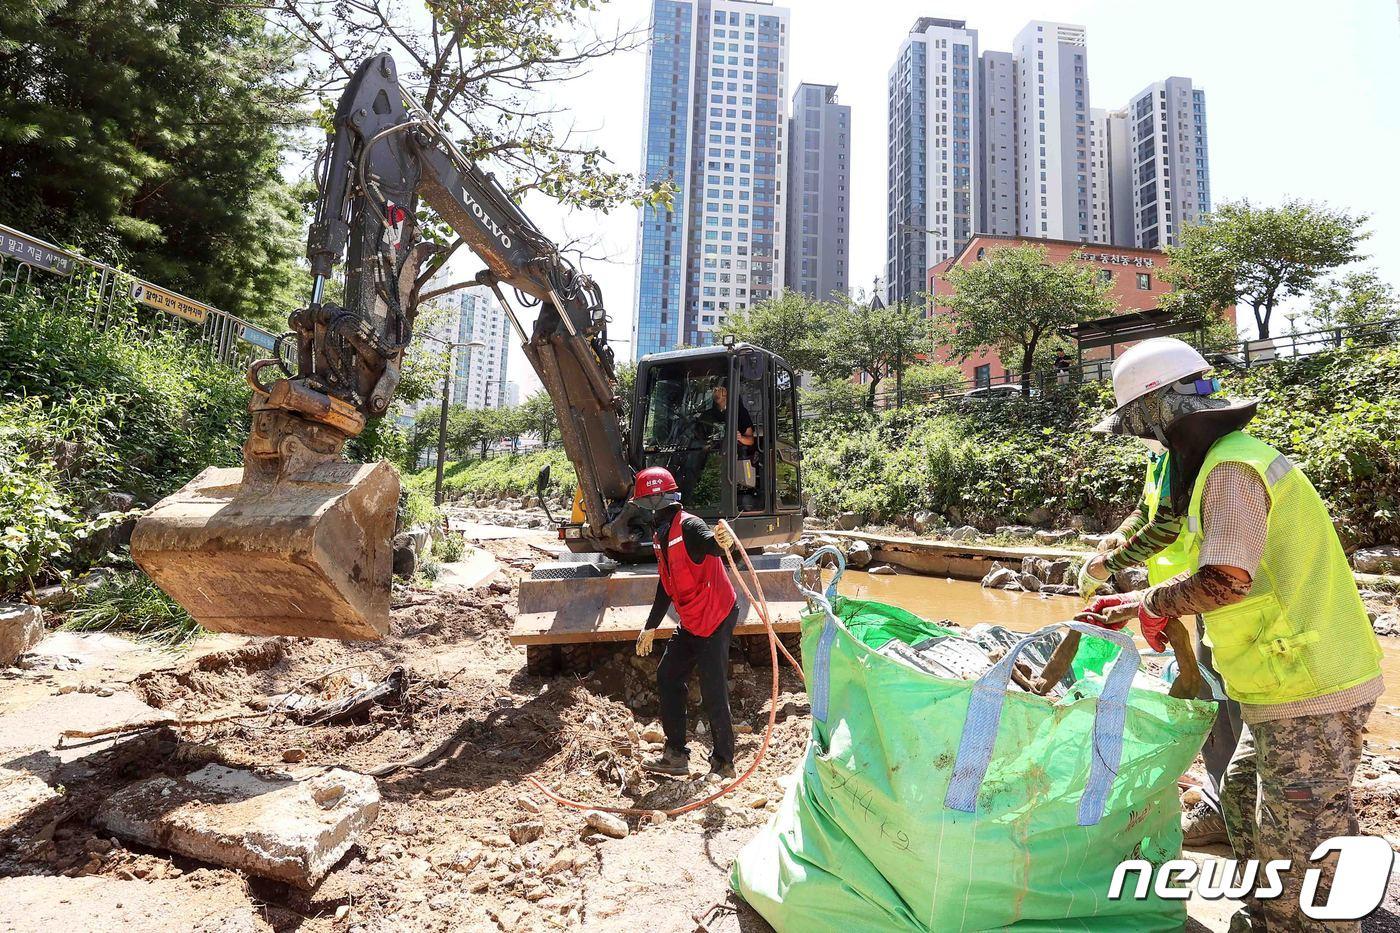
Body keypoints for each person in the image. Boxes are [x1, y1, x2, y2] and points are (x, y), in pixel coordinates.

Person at [1078, 337, 1383, 933]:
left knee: (1305, 832)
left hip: (1310, 675)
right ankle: (1268, 911)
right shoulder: (1209, 465)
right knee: (1243, 790)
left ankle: (1315, 921)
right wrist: (1130, 585)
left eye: (1141, 424)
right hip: (1276, 673)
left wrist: (1144, 601)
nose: (1145, 439)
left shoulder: (1231, 471)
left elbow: (1225, 581)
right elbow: (1163, 527)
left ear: (1162, 412)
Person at [1079, 456, 1243, 848]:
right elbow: (1145, 508)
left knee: (1236, 704)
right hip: (1193, 595)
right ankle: (1224, 808)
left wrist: (1107, 567)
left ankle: (1246, 815)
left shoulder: (1205, 456)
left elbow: (1166, 526)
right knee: (1211, 699)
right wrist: (1121, 533)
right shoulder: (1160, 457)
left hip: (1219, 591)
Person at [630, 466, 741, 780]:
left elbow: (713, 544)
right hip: (692, 619)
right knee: (668, 674)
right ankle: (676, 754)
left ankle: (724, 762)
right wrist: (650, 626)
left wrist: (724, 541)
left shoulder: (689, 526)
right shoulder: (660, 536)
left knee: (713, 687)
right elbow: (667, 584)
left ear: (656, 502)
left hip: (716, 615)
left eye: (645, 505)